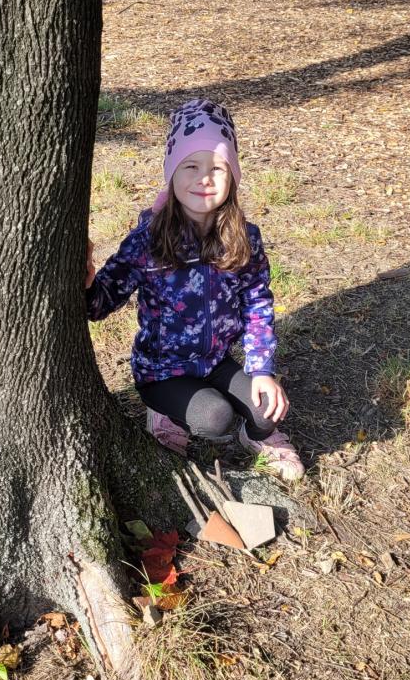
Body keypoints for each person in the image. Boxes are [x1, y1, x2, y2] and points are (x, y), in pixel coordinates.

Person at [84, 98, 305, 482]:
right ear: (172, 172)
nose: (204, 179)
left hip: (216, 361)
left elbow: (257, 304)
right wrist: (86, 282)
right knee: (215, 417)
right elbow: (102, 301)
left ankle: (257, 439)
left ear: (232, 176)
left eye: (217, 168)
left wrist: (261, 370)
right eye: (191, 166)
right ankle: (164, 413)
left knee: (266, 410)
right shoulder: (148, 240)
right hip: (162, 373)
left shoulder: (244, 238)